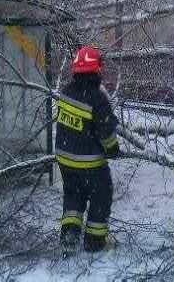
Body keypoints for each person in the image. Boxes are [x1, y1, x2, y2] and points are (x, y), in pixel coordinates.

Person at [55, 46, 120, 253]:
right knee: (101, 195)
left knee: (74, 195)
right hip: (89, 161)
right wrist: (113, 149)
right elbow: (106, 131)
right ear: (96, 71)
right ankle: (94, 241)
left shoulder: (66, 92)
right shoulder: (97, 98)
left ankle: (70, 235)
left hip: (65, 158)